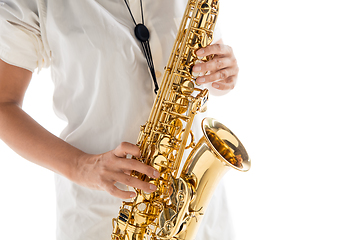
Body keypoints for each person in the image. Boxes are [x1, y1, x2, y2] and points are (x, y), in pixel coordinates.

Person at [0, 1, 239, 239]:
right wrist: (80, 165)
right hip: (107, 216)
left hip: (194, 210)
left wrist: (222, 73)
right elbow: (3, 103)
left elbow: (203, 73)